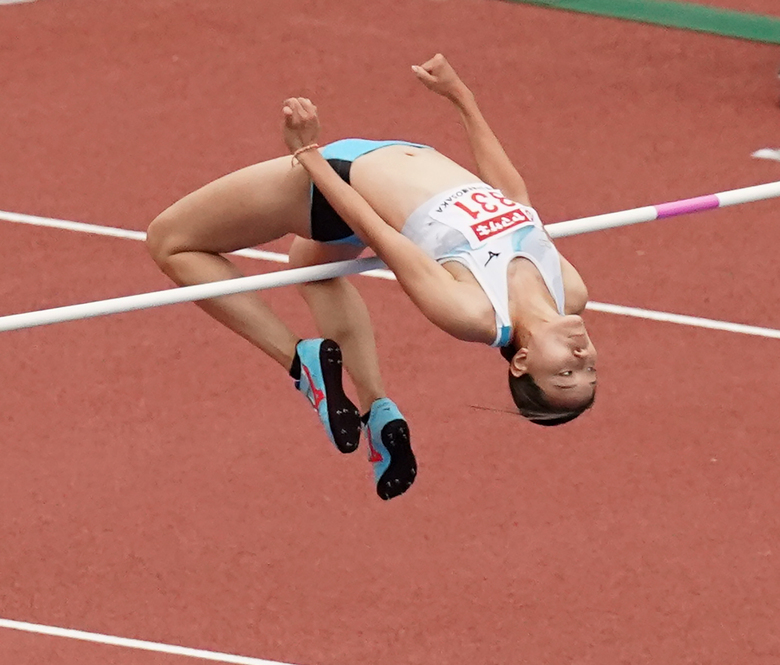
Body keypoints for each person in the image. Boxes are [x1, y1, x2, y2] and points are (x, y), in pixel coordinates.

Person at [145, 55, 596, 504]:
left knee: (170, 242)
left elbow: (380, 233)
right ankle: (375, 409)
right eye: (588, 368)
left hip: (342, 180)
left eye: (564, 371)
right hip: (382, 164)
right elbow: (514, 198)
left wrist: (308, 156)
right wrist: (462, 99)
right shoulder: (569, 290)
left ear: (521, 363)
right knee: (311, 270)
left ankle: (299, 362)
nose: (580, 355)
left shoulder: (474, 313)